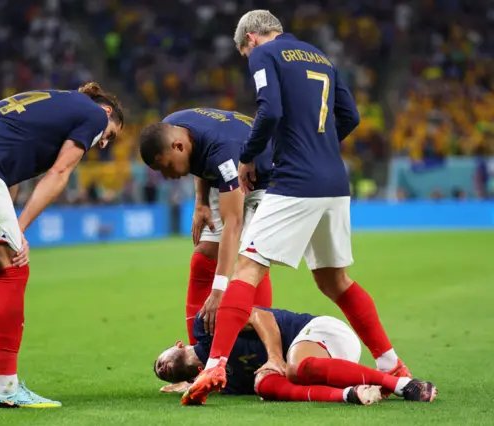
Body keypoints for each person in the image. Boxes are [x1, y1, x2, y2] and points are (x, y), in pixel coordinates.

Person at [183, 10, 411, 405]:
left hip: (295, 182)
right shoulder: (319, 56)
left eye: (243, 52)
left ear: (251, 39)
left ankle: (214, 365)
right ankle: (392, 365)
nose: (246, 58)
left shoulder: (263, 54)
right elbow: (350, 116)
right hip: (335, 182)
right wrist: (318, 144)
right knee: (334, 280)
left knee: (247, 269)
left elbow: (268, 110)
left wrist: (249, 157)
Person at [0, 83, 124, 408]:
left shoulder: (52, 103)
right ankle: (6, 389)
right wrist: (20, 227)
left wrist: (12, 222)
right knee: (14, 269)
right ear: (107, 112)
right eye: (110, 135)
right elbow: (59, 173)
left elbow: (9, 176)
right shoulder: (93, 115)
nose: (103, 142)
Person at [139, 108, 274, 345]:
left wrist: (219, 290)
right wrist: (200, 202)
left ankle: (256, 359)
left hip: (265, 178)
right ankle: (196, 359)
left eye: (167, 166)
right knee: (203, 259)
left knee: (250, 262)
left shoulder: (223, 153)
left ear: (177, 147)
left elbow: (233, 223)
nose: (167, 176)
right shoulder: (172, 127)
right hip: (227, 170)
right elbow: (199, 155)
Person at [155, 308, 438, 405]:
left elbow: (259, 315)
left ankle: (403, 385)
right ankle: (350, 393)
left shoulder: (204, 328)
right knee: (263, 385)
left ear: (178, 344)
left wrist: (275, 357)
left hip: (320, 332)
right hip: (331, 366)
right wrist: (188, 383)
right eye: (162, 373)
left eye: (160, 362)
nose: (163, 368)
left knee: (294, 368)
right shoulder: (219, 383)